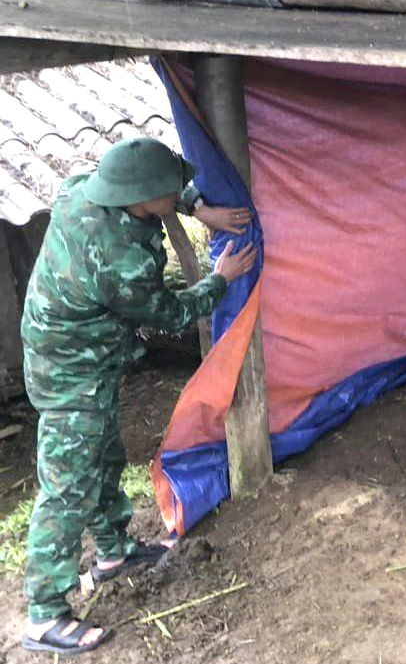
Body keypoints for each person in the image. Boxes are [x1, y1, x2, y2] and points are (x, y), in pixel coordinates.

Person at [19, 138, 257, 655]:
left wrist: (198, 205)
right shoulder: (117, 258)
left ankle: (114, 551)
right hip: (68, 373)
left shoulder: (82, 188)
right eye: (173, 191)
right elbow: (169, 314)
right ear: (145, 196)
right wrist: (220, 280)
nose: (177, 194)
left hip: (87, 361)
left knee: (105, 456)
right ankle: (43, 613)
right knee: (67, 488)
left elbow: (150, 180)